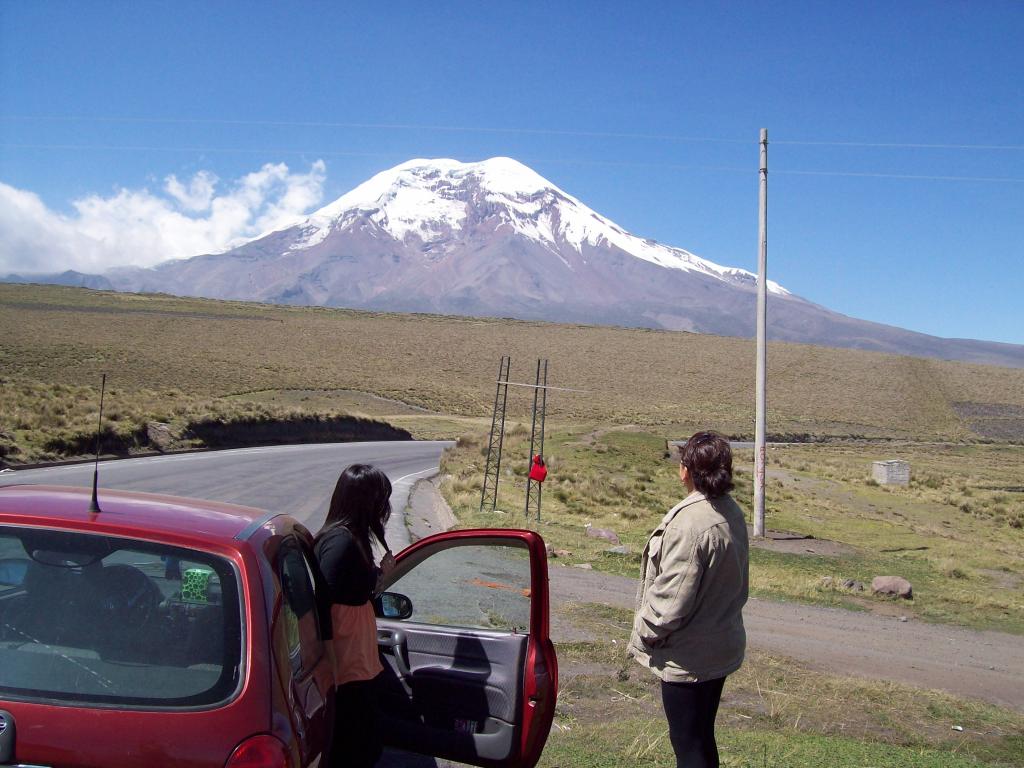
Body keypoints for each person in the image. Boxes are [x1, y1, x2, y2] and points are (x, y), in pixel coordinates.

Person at [628, 430, 749, 768]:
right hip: (719, 645)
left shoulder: (690, 523)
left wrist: (646, 631)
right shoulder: (730, 511)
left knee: (688, 745)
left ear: (686, 470)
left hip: (689, 657)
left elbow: (671, 601)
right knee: (701, 737)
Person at [315, 464, 396, 768]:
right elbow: (324, 604)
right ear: (366, 501)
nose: (384, 507)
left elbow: (351, 590)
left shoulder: (353, 538)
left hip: (357, 664)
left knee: (364, 746)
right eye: (380, 499)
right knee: (355, 750)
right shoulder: (340, 542)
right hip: (346, 669)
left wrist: (380, 576)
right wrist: (329, 661)